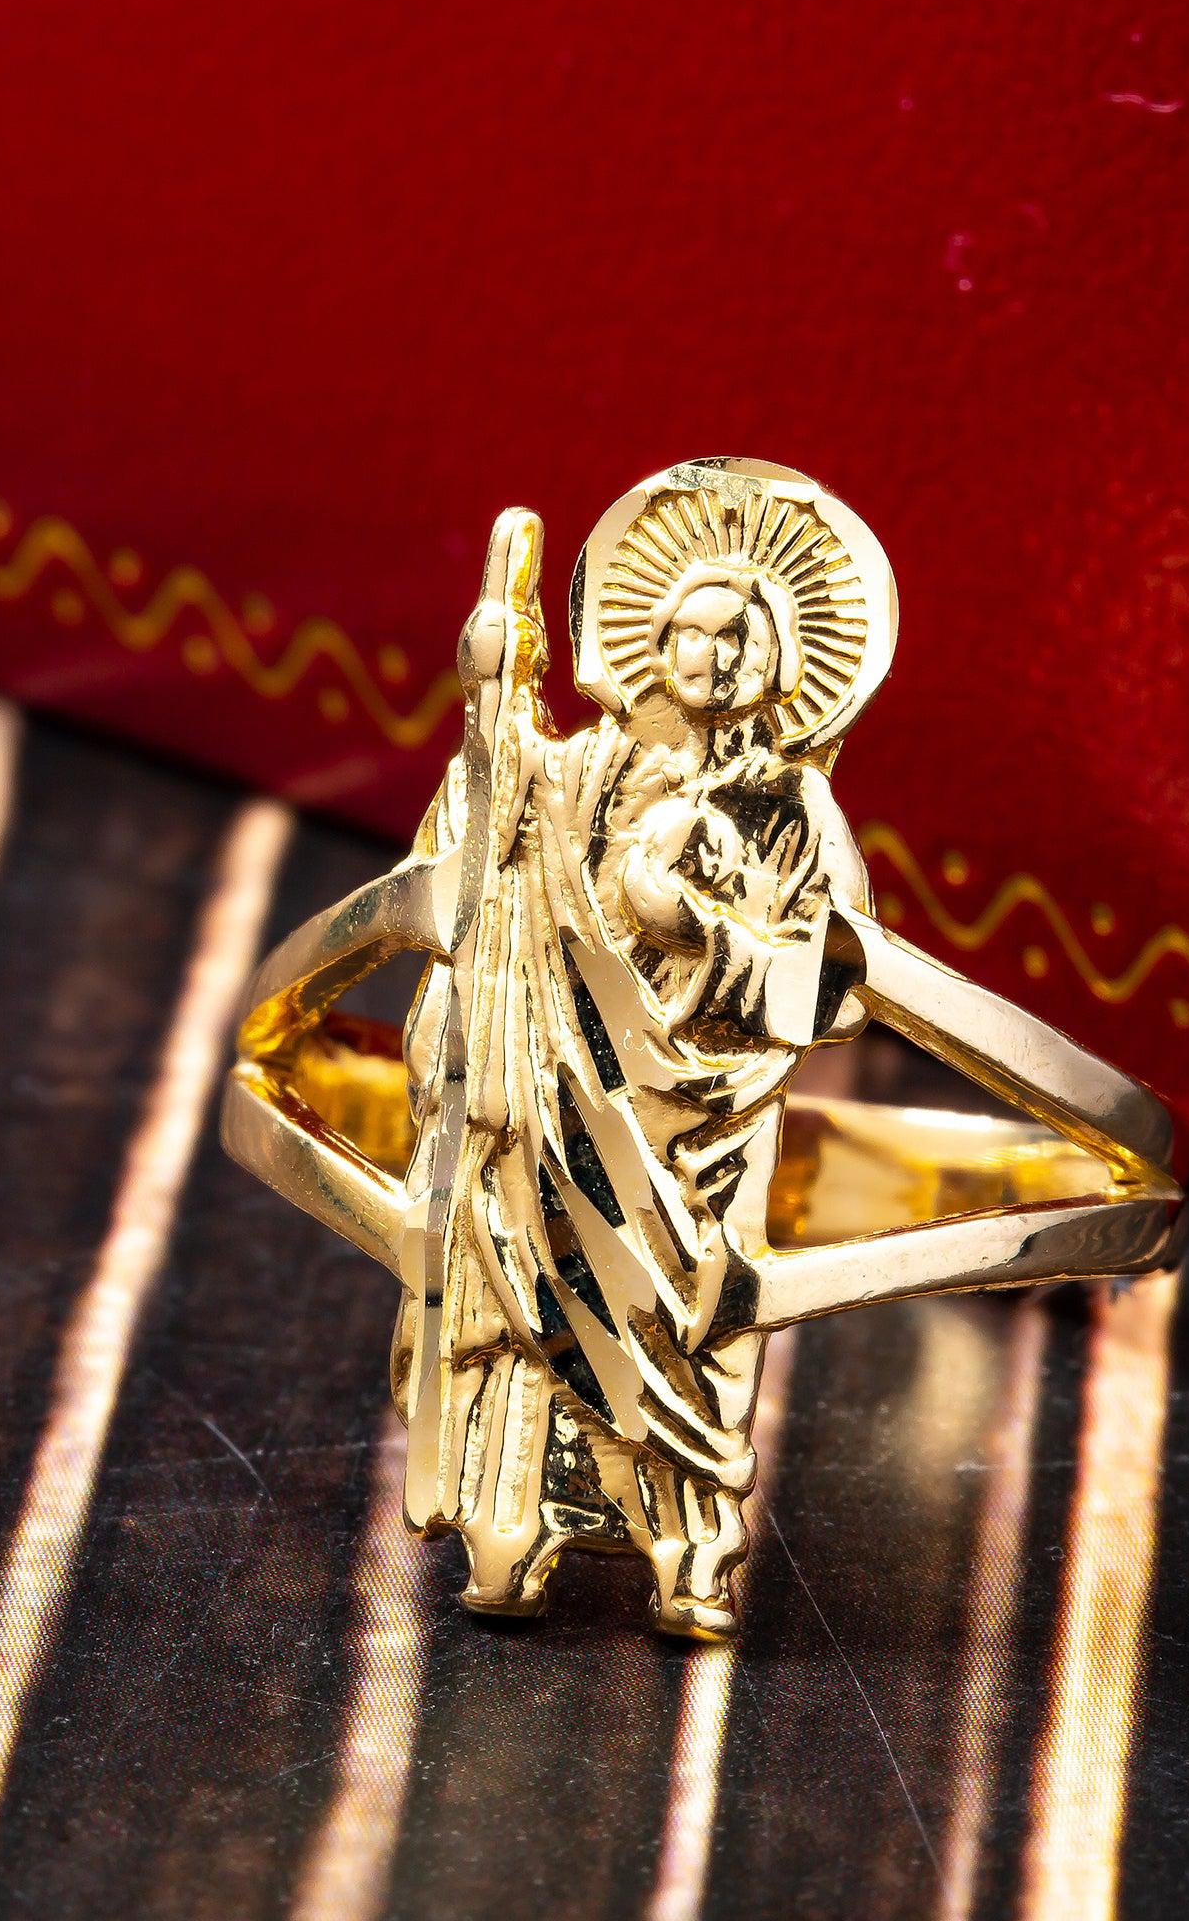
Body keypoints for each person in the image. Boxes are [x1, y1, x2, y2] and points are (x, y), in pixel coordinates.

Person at [394, 553, 868, 1638]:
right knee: (524, 1269)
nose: (714, 656)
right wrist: (491, 693)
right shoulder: (579, 770)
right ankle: (505, 1528)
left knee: (675, 1319)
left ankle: (686, 1557)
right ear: (653, 649)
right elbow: (478, 845)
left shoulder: (794, 803)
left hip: (700, 1122)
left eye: (739, 637)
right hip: (544, 1093)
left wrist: (702, 933)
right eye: (691, 632)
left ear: (779, 662)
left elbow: (843, 990)